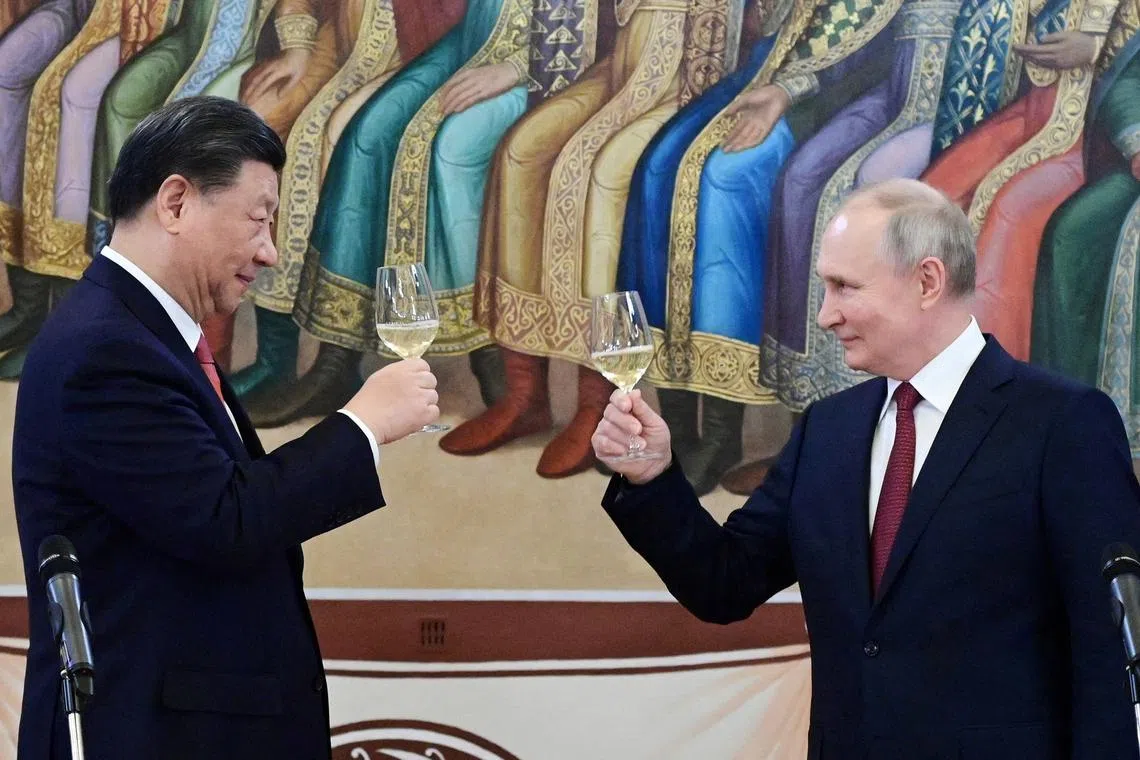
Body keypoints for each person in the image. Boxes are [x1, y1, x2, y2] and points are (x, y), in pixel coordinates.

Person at [592, 177, 1140, 757]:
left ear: (927, 281)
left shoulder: (1063, 422)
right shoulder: (828, 430)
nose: (825, 315)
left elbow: (1109, 648)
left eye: (844, 287)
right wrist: (651, 477)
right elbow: (724, 584)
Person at [12, 96, 439, 760]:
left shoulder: (144, 334)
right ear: (176, 203)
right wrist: (363, 424)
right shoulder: (105, 349)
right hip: (150, 736)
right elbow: (225, 519)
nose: (270, 253)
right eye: (259, 220)